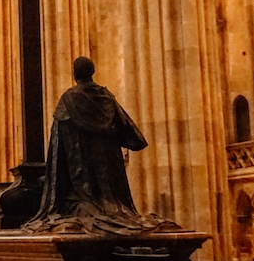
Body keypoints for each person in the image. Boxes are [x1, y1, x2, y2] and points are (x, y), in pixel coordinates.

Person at [27, 56, 168, 234]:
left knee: (84, 204)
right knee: (111, 203)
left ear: (75, 74)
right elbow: (128, 129)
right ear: (92, 72)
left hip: (80, 174)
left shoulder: (69, 99)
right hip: (109, 175)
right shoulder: (106, 97)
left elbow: (58, 146)